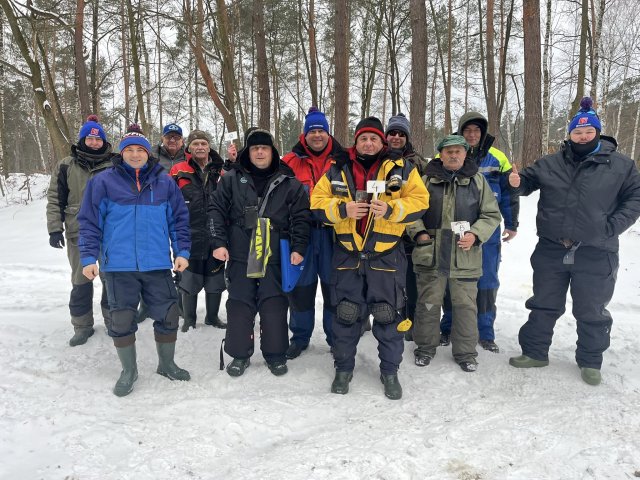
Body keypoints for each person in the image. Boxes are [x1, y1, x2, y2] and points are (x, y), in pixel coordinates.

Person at [507, 97, 640, 386]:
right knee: (543, 303)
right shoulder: (551, 163)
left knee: (591, 309)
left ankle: (590, 361)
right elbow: (526, 181)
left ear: (598, 132)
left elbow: (635, 198)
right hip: (552, 248)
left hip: (597, 250)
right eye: (577, 132)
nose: (583, 136)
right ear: (569, 134)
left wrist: (611, 227)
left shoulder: (621, 165)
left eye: (588, 131)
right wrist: (515, 183)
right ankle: (535, 352)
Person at [311, 116, 429, 400]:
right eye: (363, 138)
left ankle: (390, 372)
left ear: (382, 141)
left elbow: (421, 201)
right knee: (346, 314)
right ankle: (343, 369)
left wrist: (391, 209)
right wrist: (343, 209)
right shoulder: (338, 167)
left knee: (389, 316)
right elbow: (316, 201)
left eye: (374, 138)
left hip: (385, 256)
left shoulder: (401, 167)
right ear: (356, 141)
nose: (368, 143)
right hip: (348, 255)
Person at [78, 124, 192, 397]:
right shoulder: (103, 182)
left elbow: (179, 220)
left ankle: (166, 364)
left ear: (147, 153)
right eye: (129, 149)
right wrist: (88, 257)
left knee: (168, 314)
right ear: (121, 153)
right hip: (119, 266)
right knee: (121, 319)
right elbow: (89, 222)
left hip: (157, 264)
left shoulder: (164, 182)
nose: (135, 154)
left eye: (140, 149)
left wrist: (182, 252)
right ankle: (129, 370)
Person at [209, 129, 311, 378]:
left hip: (274, 255)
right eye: (255, 148)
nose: (260, 152)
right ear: (248, 152)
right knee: (239, 304)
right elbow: (215, 209)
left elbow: (301, 217)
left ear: (272, 151)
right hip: (240, 253)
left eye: (264, 148)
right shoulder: (232, 179)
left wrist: (298, 248)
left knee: (274, 304)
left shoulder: (289, 181)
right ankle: (239, 354)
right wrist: (218, 242)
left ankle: (275, 354)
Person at [407, 135, 501, 372]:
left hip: (464, 255)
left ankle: (466, 353)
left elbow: (491, 215)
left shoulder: (478, 181)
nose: (453, 155)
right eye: (448, 151)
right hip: (431, 254)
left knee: (466, 307)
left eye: (458, 151)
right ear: (440, 154)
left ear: (465, 154)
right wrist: (419, 234)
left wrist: (476, 234)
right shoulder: (425, 180)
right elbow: (411, 212)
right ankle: (424, 348)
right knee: (427, 303)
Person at [440, 112, 519, 353]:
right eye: (467, 130)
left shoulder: (498, 158)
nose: (472, 134)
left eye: (477, 130)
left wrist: (512, 223)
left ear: (483, 133)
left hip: (487, 231)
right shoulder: (449, 153)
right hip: (455, 230)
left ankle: (485, 332)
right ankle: (448, 326)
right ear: (460, 132)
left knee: (486, 280)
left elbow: (509, 193)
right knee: (452, 277)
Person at [282, 107, 344, 359]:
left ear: (328, 133)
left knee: (334, 288)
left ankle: (336, 337)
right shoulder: (289, 162)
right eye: (312, 131)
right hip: (302, 235)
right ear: (304, 134)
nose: (317, 135)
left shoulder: (343, 159)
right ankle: (300, 336)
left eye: (321, 131)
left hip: (334, 235)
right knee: (302, 288)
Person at [46, 115, 114, 346]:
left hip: (111, 232)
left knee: (111, 278)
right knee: (81, 280)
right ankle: (82, 326)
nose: (94, 143)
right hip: (78, 231)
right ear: (82, 140)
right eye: (90, 138)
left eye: (98, 139)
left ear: (104, 141)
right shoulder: (66, 165)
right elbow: (55, 199)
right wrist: (55, 229)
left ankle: (113, 321)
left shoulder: (115, 164)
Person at [170, 130, 227, 331]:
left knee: (215, 278)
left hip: (215, 233)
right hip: (188, 234)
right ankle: (189, 319)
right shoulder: (178, 170)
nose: (200, 147)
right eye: (196, 144)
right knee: (189, 278)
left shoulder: (220, 171)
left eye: (204, 143)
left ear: (209, 147)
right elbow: (168, 199)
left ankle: (212, 317)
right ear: (189, 147)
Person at [384, 113, 429, 341]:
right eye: (392, 133)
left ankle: (411, 322)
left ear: (407, 137)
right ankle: (382, 320)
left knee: (410, 281)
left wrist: (419, 229)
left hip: (409, 231)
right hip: (382, 229)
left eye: (401, 134)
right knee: (383, 280)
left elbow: (425, 198)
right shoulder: (378, 159)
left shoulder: (418, 162)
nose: (396, 137)